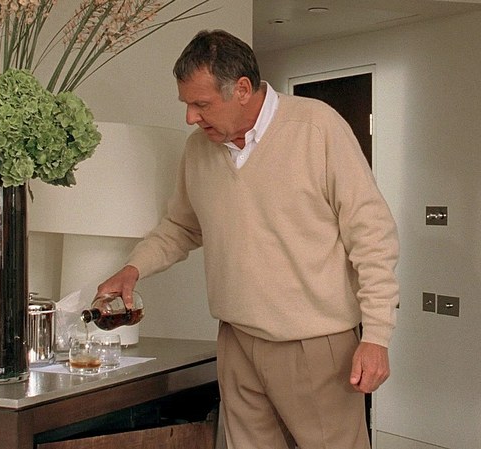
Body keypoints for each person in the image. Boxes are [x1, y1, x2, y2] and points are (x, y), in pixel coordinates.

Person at [96, 29, 400, 449]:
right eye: (187, 104)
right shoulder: (198, 150)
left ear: (242, 89)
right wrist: (134, 268)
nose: (190, 117)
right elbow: (181, 226)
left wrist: (376, 337)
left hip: (315, 344)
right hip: (237, 340)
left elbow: (373, 236)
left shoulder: (317, 128)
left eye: (201, 104)